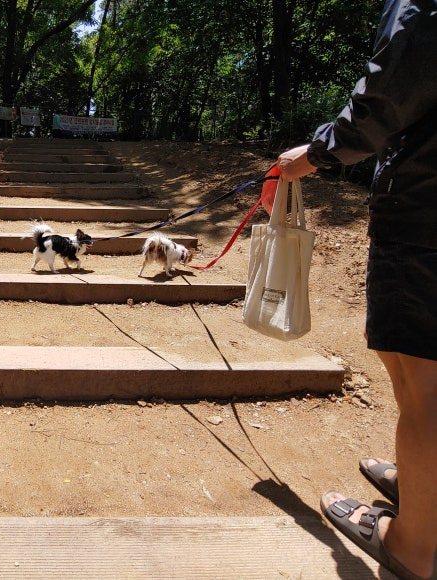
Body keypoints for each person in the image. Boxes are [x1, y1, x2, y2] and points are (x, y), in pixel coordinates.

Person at [276, 1, 436, 578]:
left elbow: (392, 89)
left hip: (424, 212)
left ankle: (414, 543)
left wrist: (318, 152)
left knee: (420, 377)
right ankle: (422, 487)